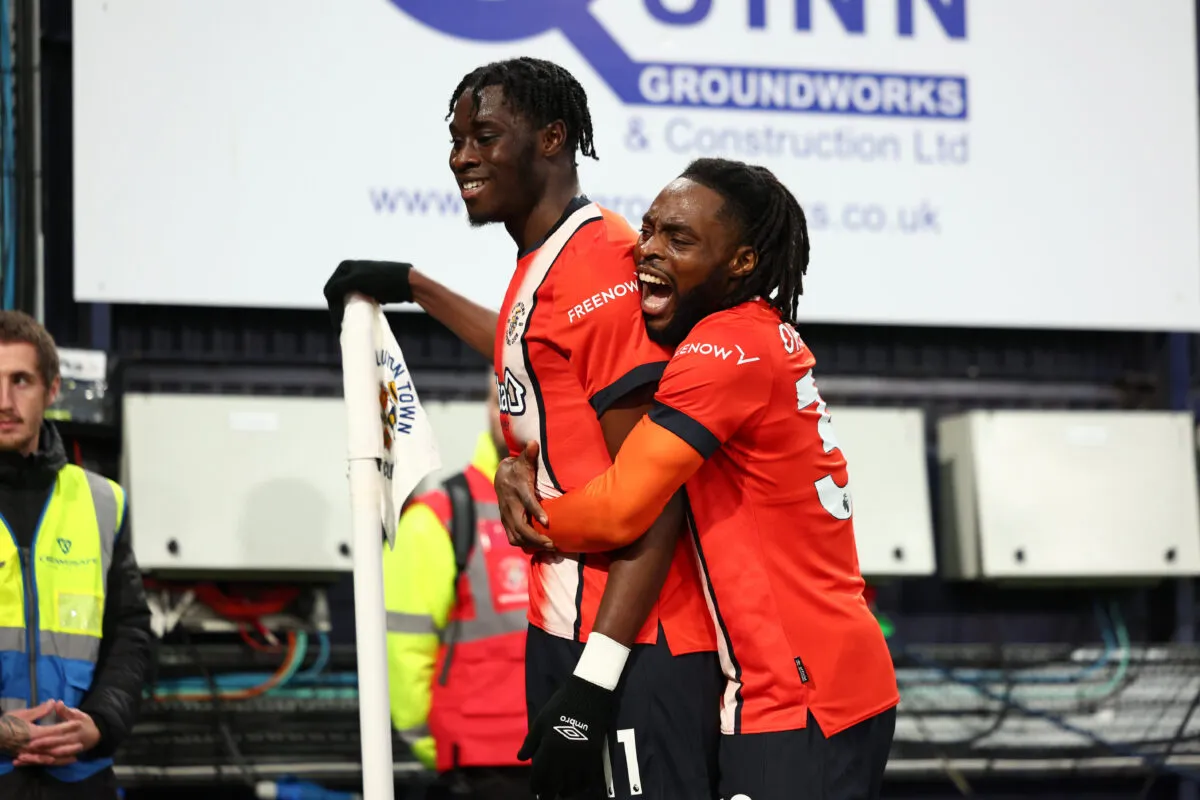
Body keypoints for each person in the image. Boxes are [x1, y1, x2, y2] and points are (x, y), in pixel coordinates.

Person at [324, 57, 720, 799]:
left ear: (551, 138)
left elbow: (658, 492)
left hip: (631, 643)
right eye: (455, 138)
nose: (462, 156)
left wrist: (594, 684)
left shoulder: (598, 260)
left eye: (484, 135)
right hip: (568, 624)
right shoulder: (546, 259)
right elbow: (530, 346)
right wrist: (414, 287)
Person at [498, 158, 900, 800]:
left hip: (800, 693)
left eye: (678, 239)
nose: (648, 250)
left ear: (741, 262)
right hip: (809, 677)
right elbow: (542, 347)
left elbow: (622, 509)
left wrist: (526, 512)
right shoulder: (754, 334)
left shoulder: (722, 350)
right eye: (649, 230)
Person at [0, 311, 154, 799]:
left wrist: (101, 721)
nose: (4, 401)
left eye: (20, 381)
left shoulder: (101, 502)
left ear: (51, 390)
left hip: (81, 775)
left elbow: (129, 633)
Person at [383, 377, 532, 799]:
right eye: (502, 398)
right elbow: (404, 652)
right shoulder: (439, 517)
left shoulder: (590, 504)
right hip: (481, 764)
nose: (512, 411)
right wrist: (438, 746)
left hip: (576, 752)